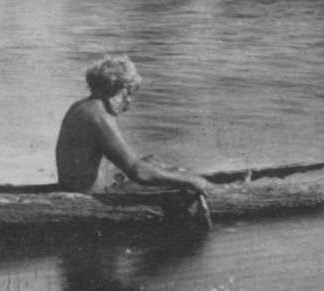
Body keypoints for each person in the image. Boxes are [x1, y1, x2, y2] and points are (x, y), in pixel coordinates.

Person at [56, 55, 212, 196]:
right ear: (115, 88)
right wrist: (188, 181)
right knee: (177, 173)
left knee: (152, 161)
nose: (129, 101)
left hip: (78, 186)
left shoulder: (82, 105)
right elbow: (138, 172)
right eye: (127, 93)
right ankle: (201, 184)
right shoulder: (99, 116)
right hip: (90, 193)